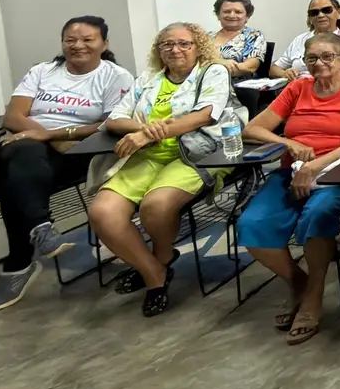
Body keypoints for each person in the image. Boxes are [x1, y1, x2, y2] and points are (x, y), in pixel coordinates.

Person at [0, 17, 134, 313]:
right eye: (70, 40)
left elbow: (110, 124)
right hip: (24, 148)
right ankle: (41, 230)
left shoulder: (116, 77)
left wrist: (52, 135)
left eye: (87, 39)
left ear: (104, 44)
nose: (77, 45)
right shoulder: (42, 71)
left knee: (13, 182)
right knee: (24, 154)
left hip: (75, 153)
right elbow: (13, 117)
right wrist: (42, 137)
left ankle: (18, 266)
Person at [91, 22, 240, 317]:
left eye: (184, 43)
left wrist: (147, 134)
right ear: (158, 50)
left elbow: (204, 116)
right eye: (167, 44)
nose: (175, 49)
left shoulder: (212, 72)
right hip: (147, 156)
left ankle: (160, 256)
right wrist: (146, 130)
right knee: (102, 213)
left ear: (198, 47)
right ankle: (154, 272)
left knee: (155, 206)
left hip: (197, 154)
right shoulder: (148, 78)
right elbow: (115, 119)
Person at [238, 32, 340, 344]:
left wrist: (314, 166)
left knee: (317, 215)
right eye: (311, 58)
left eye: (327, 56)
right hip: (293, 171)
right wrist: (288, 142)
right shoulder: (298, 87)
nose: (319, 63)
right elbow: (252, 129)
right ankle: (299, 281)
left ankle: (313, 296)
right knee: (251, 224)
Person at [272, 0, 340, 80]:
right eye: (314, 12)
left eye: (327, 10)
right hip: (300, 90)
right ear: (310, 18)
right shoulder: (299, 40)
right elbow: (274, 69)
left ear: (339, 13)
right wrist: (285, 73)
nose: (320, 15)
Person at [213, 0, 267, 79]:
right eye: (226, 11)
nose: (232, 15)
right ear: (218, 15)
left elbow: (250, 67)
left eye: (238, 12)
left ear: (247, 16)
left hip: (236, 84)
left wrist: (215, 66)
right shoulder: (206, 37)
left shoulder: (253, 36)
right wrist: (222, 63)